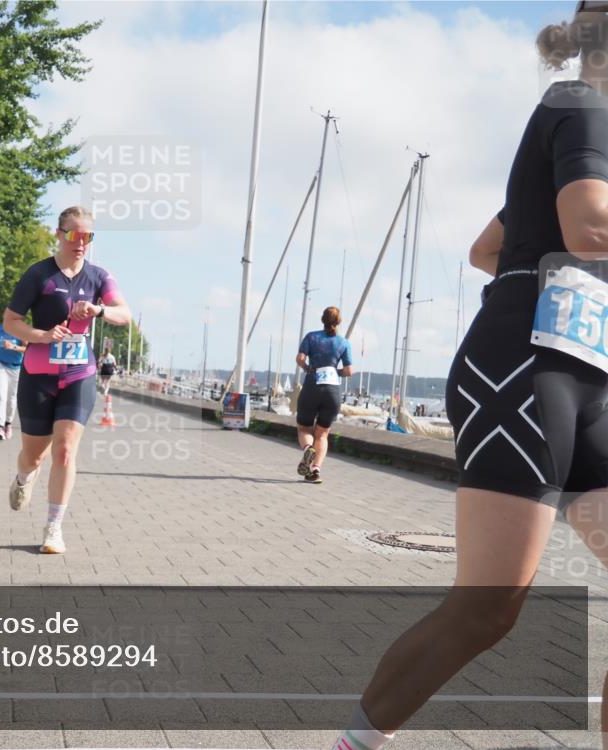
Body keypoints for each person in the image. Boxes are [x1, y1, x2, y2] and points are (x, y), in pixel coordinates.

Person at [331, 5, 608, 749]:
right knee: (488, 608)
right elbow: (589, 227)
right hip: (520, 372)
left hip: (586, 381)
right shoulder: (581, 105)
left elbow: (489, 248)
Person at [2, 206, 131, 554]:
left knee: (64, 450)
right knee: (35, 456)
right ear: (59, 234)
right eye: (74, 235)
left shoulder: (99, 277)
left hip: (79, 374)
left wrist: (98, 310)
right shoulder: (39, 275)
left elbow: (124, 314)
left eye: (87, 236)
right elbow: (11, 321)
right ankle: (23, 478)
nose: (81, 243)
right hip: (38, 374)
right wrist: (41, 335)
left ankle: (53, 528)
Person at [294, 306, 354, 484]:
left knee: (304, 428)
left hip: (312, 385)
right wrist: (335, 372)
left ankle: (307, 449)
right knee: (322, 434)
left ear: (322, 319)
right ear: (338, 321)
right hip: (332, 390)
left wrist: (307, 369)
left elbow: (300, 358)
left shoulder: (311, 337)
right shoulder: (343, 342)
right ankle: (315, 470)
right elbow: (349, 370)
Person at [0, 321, 25, 440]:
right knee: (1, 396)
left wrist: (13, 347)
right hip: (0, 364)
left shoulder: (21, 330)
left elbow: (27, 348)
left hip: (16, 367)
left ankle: (8, 423)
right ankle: (0, 427)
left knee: (12, 398)